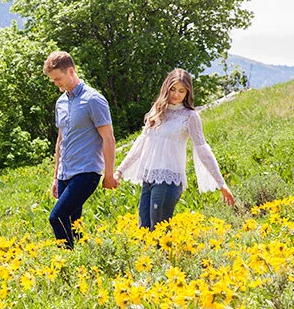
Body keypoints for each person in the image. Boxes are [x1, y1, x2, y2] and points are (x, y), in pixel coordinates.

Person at [114, 68, 235, 230]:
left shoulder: (190, 116)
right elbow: (141, 144)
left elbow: (202, 150)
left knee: (159, 234)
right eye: (173, 89)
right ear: (166, 88)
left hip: (169, 181)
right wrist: (120, 171)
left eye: (181, 91)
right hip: (149, 180)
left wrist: (221, 183)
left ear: (187, 93)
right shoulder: (156, 112)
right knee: (143, 232)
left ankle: (171, 256)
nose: (176, 95)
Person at [44, 51, 117, 249]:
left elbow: (108, 138)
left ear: (71, 71)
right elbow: (61, 140)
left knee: (57, 217)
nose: (56, 83)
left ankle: (66, 259)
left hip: (86, 172)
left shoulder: (93, 100)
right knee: (74, 224)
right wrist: (55, 176)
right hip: (65, 173)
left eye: (58, 78)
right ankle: (84, 261)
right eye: (53, 80)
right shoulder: (61, 102)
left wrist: (109, 174)